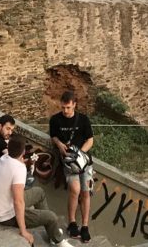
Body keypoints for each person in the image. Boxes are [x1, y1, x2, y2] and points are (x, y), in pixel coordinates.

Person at [0, 135, 70, 247]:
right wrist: (23, 231)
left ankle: (52, 232)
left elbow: (15, 164)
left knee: (39, 192)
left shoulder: (4, 158)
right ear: (23, 151)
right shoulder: (19, 169)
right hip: (6, 215)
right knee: (51, 217)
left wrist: (26, 162)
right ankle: (58, 240)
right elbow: (18, 202)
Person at [49, 91, 94, 243]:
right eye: (63, 108)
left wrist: (79, 153)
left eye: (68, 107)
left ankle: (85, 226)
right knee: (75, 190)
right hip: (68, 162)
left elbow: (90, 140)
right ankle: (72, 222)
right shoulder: (55, 120)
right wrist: (59, 144)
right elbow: (53, 136)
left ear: (74, 104)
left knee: (86, 192)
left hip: (84, 161)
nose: (65, 111)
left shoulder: (83, 120)